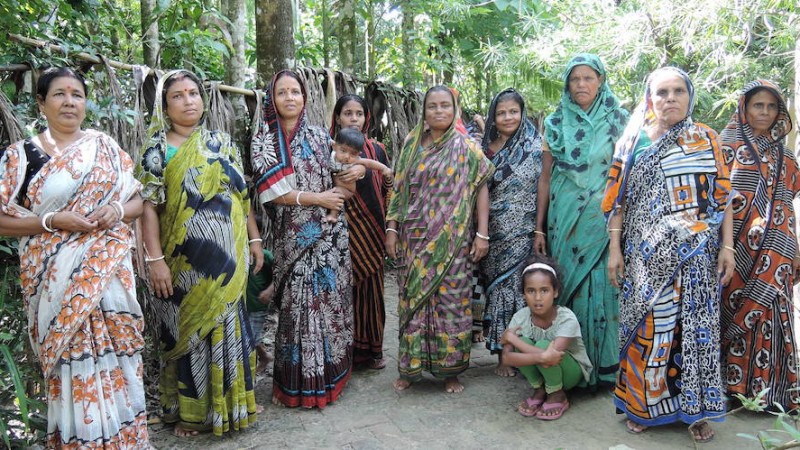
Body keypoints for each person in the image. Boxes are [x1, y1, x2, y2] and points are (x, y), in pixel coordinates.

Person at [0, 67, 149, 448]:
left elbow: (137, 201)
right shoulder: (21, 156)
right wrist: (51, 221)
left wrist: (116, 210)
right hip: (55, 288)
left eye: (77, 94)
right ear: (41, 103)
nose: (70, 102)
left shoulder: (105, 148)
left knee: (119, 360)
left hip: (108, 281)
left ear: (86, 102)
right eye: (59, 94)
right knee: (70, 368)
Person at [602, 67, 735, 442]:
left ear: (690, 96)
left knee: (696, 333)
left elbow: (721, 200)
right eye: (662, 92)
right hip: (645, 260)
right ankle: (642, 406)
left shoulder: (706, 139)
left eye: (678, 91)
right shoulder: (632, 143)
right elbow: (618, 203)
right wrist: (615, 249)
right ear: (649, 98)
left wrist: (727, 248)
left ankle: (697, 409)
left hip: (697, 258)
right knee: (650, 332)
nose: (670, 98)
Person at [137, 69, 262, 436]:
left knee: (227, 330)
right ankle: (190, 414)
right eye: (178, 95)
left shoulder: (222, 142)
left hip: (227, 260)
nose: (188, 100)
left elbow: (242, 197)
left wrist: (254, 240)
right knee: (186, 333)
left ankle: (231, 407)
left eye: (193, 93)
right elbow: (148, 207)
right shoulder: (157, 148)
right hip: (182, 263)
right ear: (165, 106)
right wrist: (155, 260)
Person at [251, 69, 353, 408]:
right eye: (282, 92)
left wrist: (354, 175)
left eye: (295, 91)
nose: (290, 98)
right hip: (292, 238)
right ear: (272, 99)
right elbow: (272, 194)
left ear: (305, 97)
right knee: (297, 309)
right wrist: (319, 199)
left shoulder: (321, 137)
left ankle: (330, 381)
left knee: (327, 307)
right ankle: (296, 387)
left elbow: (343, 182)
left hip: (328, 238)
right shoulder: (264, 141)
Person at [385, 85, 494, 394]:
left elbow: (481, 187)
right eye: (432, 106)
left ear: (454, 109)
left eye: (445, 105)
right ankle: (411, 368)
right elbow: (398, 189)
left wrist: (482, 234)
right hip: (414, 240)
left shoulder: (467, 147)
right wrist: (391, 229)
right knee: (412, 303)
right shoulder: (411, 144)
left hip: (454, 241)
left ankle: (451, 371)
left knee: (452, 304)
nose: (439, 111)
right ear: (424, 111)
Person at [538, 54, 629, 388]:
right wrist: (539, 225)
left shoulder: (620, 119)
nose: (581, 85)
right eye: (575, 79)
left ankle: (604, 369)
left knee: (604, 288)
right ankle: (569, 367)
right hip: (564, 220)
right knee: (569, 289)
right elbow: (545, 178)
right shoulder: (555, 121)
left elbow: (629, 173)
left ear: (601, 80)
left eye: (588, 78)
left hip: (606, 222)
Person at [719, 80, 800, 412]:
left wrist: (793, 249)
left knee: (772, 318)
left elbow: (787, 206)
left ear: (780, 111)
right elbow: (716, 200)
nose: (764, 112)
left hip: (776, 252)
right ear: (744, 107)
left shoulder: (786, 154)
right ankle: (731, 389)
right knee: (732, 314)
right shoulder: (723, 146)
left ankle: (774, 395)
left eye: (771, 107)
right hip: (735, 251)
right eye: (757, 105)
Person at [479, 88, 543, 377]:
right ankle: (503, 353)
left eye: (513, 111)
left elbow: (543, 187)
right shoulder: (485, 148)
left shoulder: (536, 146)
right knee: (498, 290)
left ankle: (521, 350)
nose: (507, 117)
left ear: (522, 113)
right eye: (501, 112)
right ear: (493, 115)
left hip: (525, 230)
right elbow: (476, 190)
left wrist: (540, 228)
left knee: (519, 289)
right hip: (493, 231)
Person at [330, 94, 393, 370]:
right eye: (347, 113)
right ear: (338, 117)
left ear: (366, 117)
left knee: (372, 292)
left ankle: (373, 351)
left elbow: (389, 186)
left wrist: (391, 226)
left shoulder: (376, 149)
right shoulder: (329, 149)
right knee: (342, 291)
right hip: (341, 231)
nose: (353, 118)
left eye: (359, 113)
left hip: (373, 232)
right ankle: (345, 352)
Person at [501, 256, 593, 420]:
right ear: (523, 294)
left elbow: (553, 357)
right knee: (527, 343)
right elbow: (507, 358)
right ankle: (539, 389)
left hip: (569, 374)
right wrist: (541, 356)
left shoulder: (566, 318)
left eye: (544, 290)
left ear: (555, 291)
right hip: (543, 366)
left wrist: (513, 339)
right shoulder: (520, 317)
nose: (538, 298)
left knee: (543, 344)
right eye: (531, 291)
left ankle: (557, 394)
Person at [324, 127, 392, 223]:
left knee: (337, 193)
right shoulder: (330, 154)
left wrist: (385, 168)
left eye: (353, 154)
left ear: (358, 154)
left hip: (347, 190)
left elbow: (370, 163)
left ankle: (333, 215)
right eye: (343, 151)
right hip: (331, 185)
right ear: (334, 146)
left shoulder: (356, 160)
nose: (347, 156)